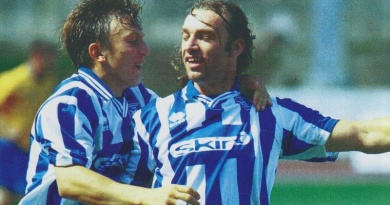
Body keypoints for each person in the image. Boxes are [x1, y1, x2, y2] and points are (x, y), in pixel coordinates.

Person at [130, 1, 390, 204]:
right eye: (186, 36)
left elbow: (364, 134)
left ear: (236, 48)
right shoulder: (153, 117)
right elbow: (114, 187)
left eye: (205, 37)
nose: (190, 46)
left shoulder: (267, 112)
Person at [19, 0, 270, 204]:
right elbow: (70, 180)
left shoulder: (140, 97)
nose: (145, 49)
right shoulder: (70, 103)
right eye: (132, 41)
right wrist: (147, 197)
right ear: (98, 53)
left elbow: (185, 112)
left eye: (142, 39)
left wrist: (233, 84)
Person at [0, 40, 59, 205]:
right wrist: (7, 130)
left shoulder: (47, 81)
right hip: (9, 145)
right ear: (36, 56)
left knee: (28, 193)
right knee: (6, 193)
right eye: (49, 57)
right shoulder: (15, 80)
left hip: (30, 146)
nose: (53, 61)